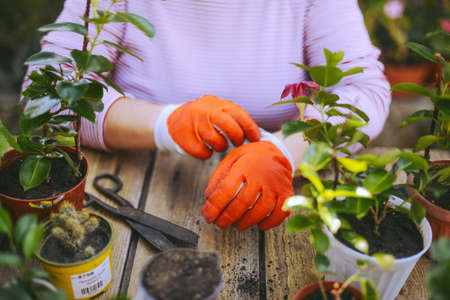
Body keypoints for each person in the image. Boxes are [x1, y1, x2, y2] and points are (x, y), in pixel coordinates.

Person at [24, 0, 391, 231]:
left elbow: (365, 92)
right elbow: (46, 93)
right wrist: (166, 124)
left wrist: (288, 152)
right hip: (137, 179)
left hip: (276, 188)